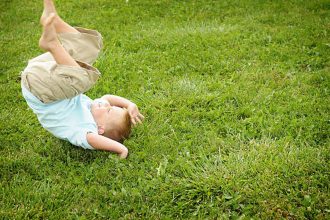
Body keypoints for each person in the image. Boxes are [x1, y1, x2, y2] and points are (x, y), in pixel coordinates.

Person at [21, 0, 144, 159]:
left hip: (40, 89)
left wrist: (121, 149)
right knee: (91, 48)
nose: (107, 104)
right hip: (46, 73)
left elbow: (94, 140)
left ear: (100, 129)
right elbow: (107, 97)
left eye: (108, 111)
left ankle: (52, 43)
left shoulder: (85, 129)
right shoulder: (91, 107)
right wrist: (129, 104)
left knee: (83, 80)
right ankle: (55, 21)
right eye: (111, 107)